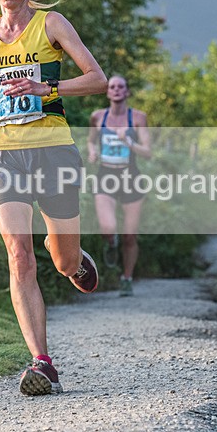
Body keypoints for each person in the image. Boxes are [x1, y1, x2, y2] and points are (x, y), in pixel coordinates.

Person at [0, 0, 107, 396]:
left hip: (53, 148)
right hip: (1, 151)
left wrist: (46, 89)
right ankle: (42, 363)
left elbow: (96, 80)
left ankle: (76, 261)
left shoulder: (51, 24)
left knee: (61, 260)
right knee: (18, 254)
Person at [87, 75, 151, 297]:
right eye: (112, 86)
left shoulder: (138, 118)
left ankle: (126, 277)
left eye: (120, 86)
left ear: (127, 92)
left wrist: (129, 142)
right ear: (107, 92)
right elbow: (90, 140)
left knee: (130, 236)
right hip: (105, 176)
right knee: (108, 227)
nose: (116, 90)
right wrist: (92, 151)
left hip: (131, 178)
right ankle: (110, 243)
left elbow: (148, 152)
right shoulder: (97, 117)